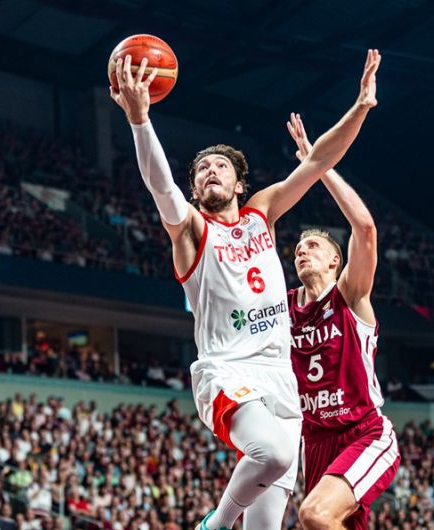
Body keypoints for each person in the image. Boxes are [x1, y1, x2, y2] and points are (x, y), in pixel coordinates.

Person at [110, 48, 382, 530]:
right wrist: (139, 121)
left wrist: (359, 107)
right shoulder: (191, 231)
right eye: (201, 171)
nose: (210, 172)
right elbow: (160, 188)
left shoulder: (262, 214)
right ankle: (215, 524)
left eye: (220, 167)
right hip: (227, 371)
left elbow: (318, 159)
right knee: (273, 454)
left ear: (240, 183)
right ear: (195, 190)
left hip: (283, 378)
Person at [284, 113, 400, 530]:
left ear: (335, 260)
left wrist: (319, 164)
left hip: (363, 430)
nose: (302, 251)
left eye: (312, 245)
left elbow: (365, 229)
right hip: (314, 440)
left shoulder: (350, 295)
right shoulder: (283, 308)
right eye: (297, 248)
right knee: (322, 522)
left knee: (314, 514)